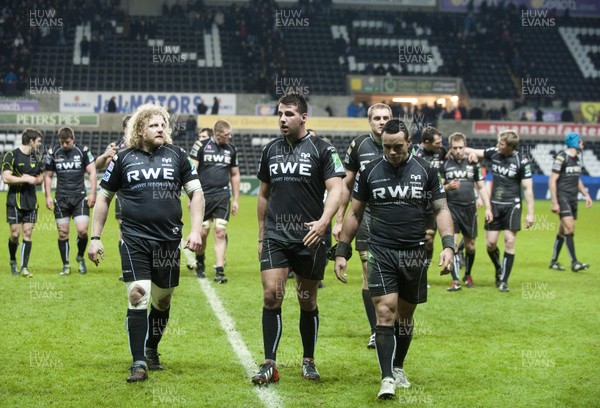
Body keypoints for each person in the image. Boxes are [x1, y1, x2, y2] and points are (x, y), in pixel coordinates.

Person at [334, 119, 454, 399]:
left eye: (397, 146)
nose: (391, 152)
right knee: (385, 312)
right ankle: (387, 377)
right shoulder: (370, 171)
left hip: (414, 253)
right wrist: (342, 250)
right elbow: (354, 213)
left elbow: (441, 209)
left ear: (409, 143)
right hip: (381, 251)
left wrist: (448, 245)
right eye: (387, 147)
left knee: (405, 317)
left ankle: (398, 366)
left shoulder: (426, 170)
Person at [88, 103, 204, 382]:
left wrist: (197, 230)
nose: (161, 128)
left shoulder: (178, 155)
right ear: (139, 129)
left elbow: (196, 194)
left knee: (162, 301)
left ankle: (151, 348)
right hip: (134, 239)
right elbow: (104, 197)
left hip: (168, 241)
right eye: (154, 125)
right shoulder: (123, 158)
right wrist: (95, 237)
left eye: (163, 124)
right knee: (137, 294)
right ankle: (138, 361)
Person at [252, 93, 344, 384]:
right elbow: (263, 194)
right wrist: (260, 234)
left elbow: (337, 189)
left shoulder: (323, 149)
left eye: (289, 114)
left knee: (307, 300)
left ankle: (308, 359)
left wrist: (324, 222)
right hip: (276, 235)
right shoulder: (270, 150)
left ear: (304, 117)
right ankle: (269, 363)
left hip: (311, 237)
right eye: (280, 113)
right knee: (271, 295)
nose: (282, 119)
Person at [332, 103, 392, 349]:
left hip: (395, 217)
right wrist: (339, 220)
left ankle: (391, 322)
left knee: (395, 272)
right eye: (376, 118)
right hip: (366, 215)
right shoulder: (359, 146)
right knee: (369, 271)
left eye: (385, 117)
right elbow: (346, 185)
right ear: (369, 121)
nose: (381, 121)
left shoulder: (401, 143)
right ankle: (375, 329)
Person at [465, 130, 535, 292]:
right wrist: (462, 152)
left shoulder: (522, 161)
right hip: (494, 204)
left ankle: (503, 280)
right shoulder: (494, 153)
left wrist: (531, 213)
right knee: (490, 244)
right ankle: (499, 267)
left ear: (510, 146)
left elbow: (528, 189)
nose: (497, 146)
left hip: (513, 205)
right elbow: (473, 151)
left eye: (501, 144)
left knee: (509, 241)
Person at [189, 120, 240, 283]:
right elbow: (192, 170)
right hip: (203, 197)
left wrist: (236, 199)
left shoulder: (231, 149)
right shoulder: (201, 146)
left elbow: (235, 175)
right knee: (203, 232)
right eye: (227, 135)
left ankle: (219, 270)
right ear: (217, 134)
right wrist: (192, 196)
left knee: (220, 231)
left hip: (222, 196)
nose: (230, 137)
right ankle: (200, 262)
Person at [441, 132, 492, 290]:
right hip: (451, 209)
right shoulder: (444, 165)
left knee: (470, 246)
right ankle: (455, 279)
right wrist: (448, 187)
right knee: (454, 244)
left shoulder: (473, 164)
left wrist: (488, 207)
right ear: (450, 148)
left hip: (469, 209)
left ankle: (468, 274)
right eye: (455, 148)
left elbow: (481, 186)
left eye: (461, 147)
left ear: (465, 147)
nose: (458, 151)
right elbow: (438, 187)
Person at [43, 127, 97, 275]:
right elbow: (48, 175)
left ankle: (80, 256)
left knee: (83, 231)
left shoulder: (83, 151)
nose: (64, 145)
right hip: (61, 199)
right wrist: (48, 196)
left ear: (73, 139)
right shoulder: (53, 153)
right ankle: (66, 264)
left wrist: (93, 193)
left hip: (80, 197)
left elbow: (92, 172)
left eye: (67, 142)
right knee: (63, 233)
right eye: (62, 143)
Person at [2, 128, 44, 277]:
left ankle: (24, 267)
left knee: (27, 233)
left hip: (31, 201)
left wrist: (39, 180)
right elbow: (6, 178)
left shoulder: (37, 157)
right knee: (15, 234)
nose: (40, 144)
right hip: (14, 200)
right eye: (38, 141)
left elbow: (40, 177)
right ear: (31, 141)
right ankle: (13, 260)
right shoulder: (11, 155)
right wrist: (24, 179)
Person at [548, 132, 592, 272]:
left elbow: (577, 179)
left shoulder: (577, 159)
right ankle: (574, 262)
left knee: (562, 231)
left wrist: (586, 194)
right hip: (563, 197)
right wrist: (555, 202)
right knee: (570, 228)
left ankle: (553, 261)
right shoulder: (561, 157)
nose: (582, 144)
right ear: (574, 143)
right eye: (580, 142)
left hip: (573, 199)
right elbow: (552, 180)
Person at [413, 126, 447, 271]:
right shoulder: (413, 152)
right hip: (415, 204)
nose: (440, 145)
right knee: (413, 240)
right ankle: (409, 272)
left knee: (429, 240)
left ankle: (422, 274)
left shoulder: (441, 152)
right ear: (426, 142)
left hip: (432, 204)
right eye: (437, 143)